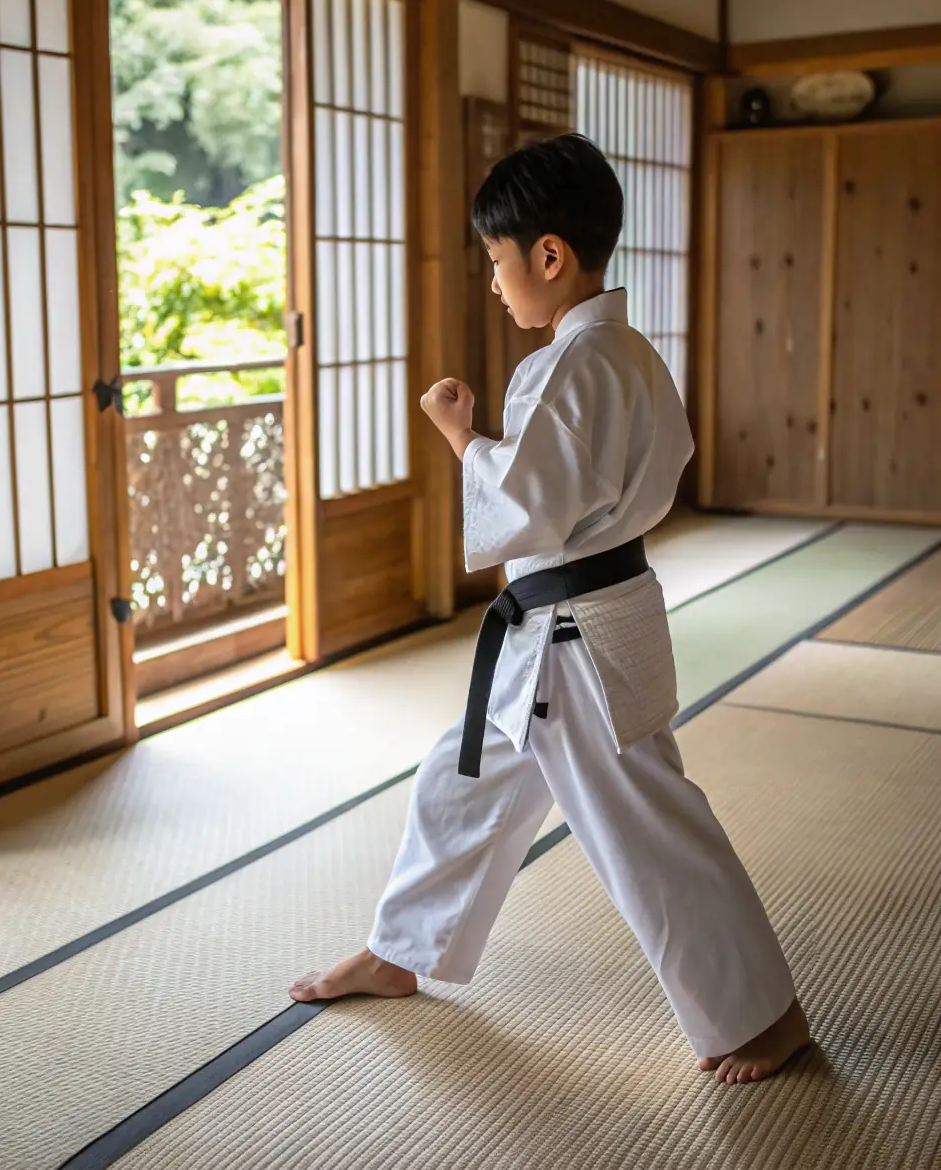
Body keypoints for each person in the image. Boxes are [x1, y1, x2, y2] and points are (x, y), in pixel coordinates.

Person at [290, 134, 809, 1085]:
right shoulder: (628, 354)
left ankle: (762, 1014)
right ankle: (400, 950)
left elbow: (532, 504)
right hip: (568, 629)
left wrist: (460, 436)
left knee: (645, 829)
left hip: (578, 647)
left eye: (497, 261)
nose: (495, 283)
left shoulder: (571, 366)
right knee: (458, 780)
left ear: (551, 256)